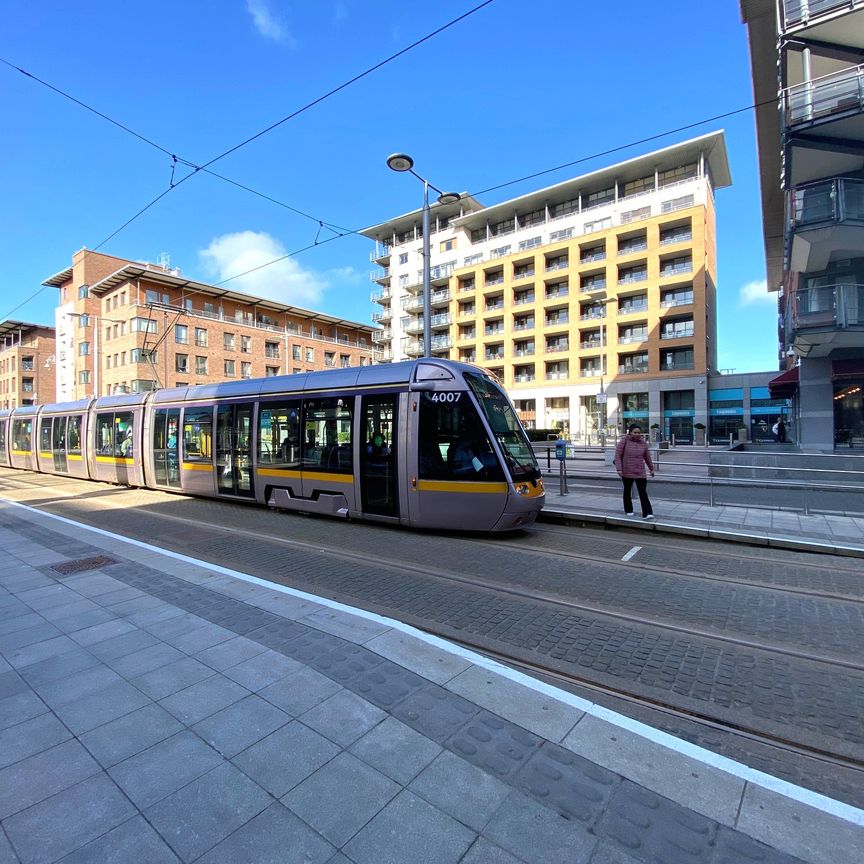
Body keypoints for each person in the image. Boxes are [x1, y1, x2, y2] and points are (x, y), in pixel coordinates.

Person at [613, 423, 655, 520]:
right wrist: (619, 468)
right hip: (627, 470)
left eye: (639, 433)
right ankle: (628, 510)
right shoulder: (624, 441)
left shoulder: (643, 442)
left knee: (643, 492)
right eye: (635, 432)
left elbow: (647, 457)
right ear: (630, 432)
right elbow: (617, 456)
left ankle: (647, 513)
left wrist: (651, 469)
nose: (637, 434)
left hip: (640, 471)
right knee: (627, 491)